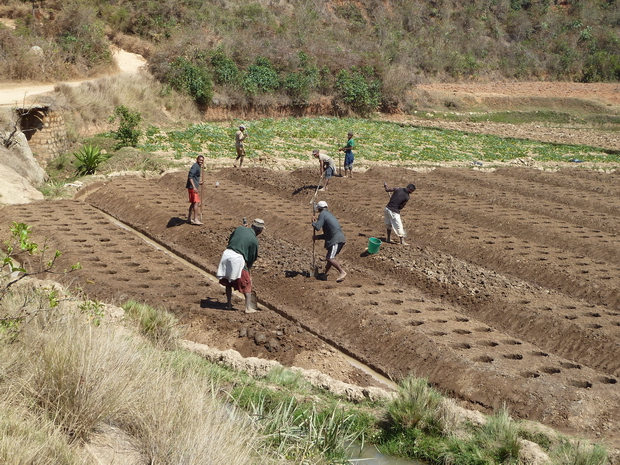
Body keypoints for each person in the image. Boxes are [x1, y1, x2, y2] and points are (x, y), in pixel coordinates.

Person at [216, 218, 265, 313]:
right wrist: (248, 269)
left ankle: (229, 304)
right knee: (246, 283)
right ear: (260, 230)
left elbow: (231, 238)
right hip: (237, 259)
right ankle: (248, 308)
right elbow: (252, 258)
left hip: (226, 254)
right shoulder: (254, 241)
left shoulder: (239, 229)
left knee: (228, 282)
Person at [312, 200, 346, 282]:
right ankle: (325, 274)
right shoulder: (328, 214)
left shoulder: (323, 214)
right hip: (338, 238)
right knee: (330, 258)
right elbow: (328, 233)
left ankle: (342, 272)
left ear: (319, 209)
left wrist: (313, 222)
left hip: (336, 240)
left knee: (329, 258)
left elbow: (317, 227)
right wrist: (318, 237)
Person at [186, 155, 204, 225]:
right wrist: (194, 187)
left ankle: (189, 218)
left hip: (193, 186)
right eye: (200, 160)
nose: (201, 162)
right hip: (192, 187)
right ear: (197, 159)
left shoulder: (198, 166)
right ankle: (195, 219)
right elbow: (190, 177)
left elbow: (194, 178)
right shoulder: (195, 166)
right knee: (196, 202)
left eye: (202, 161)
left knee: (193, 203)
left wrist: (198, 183)